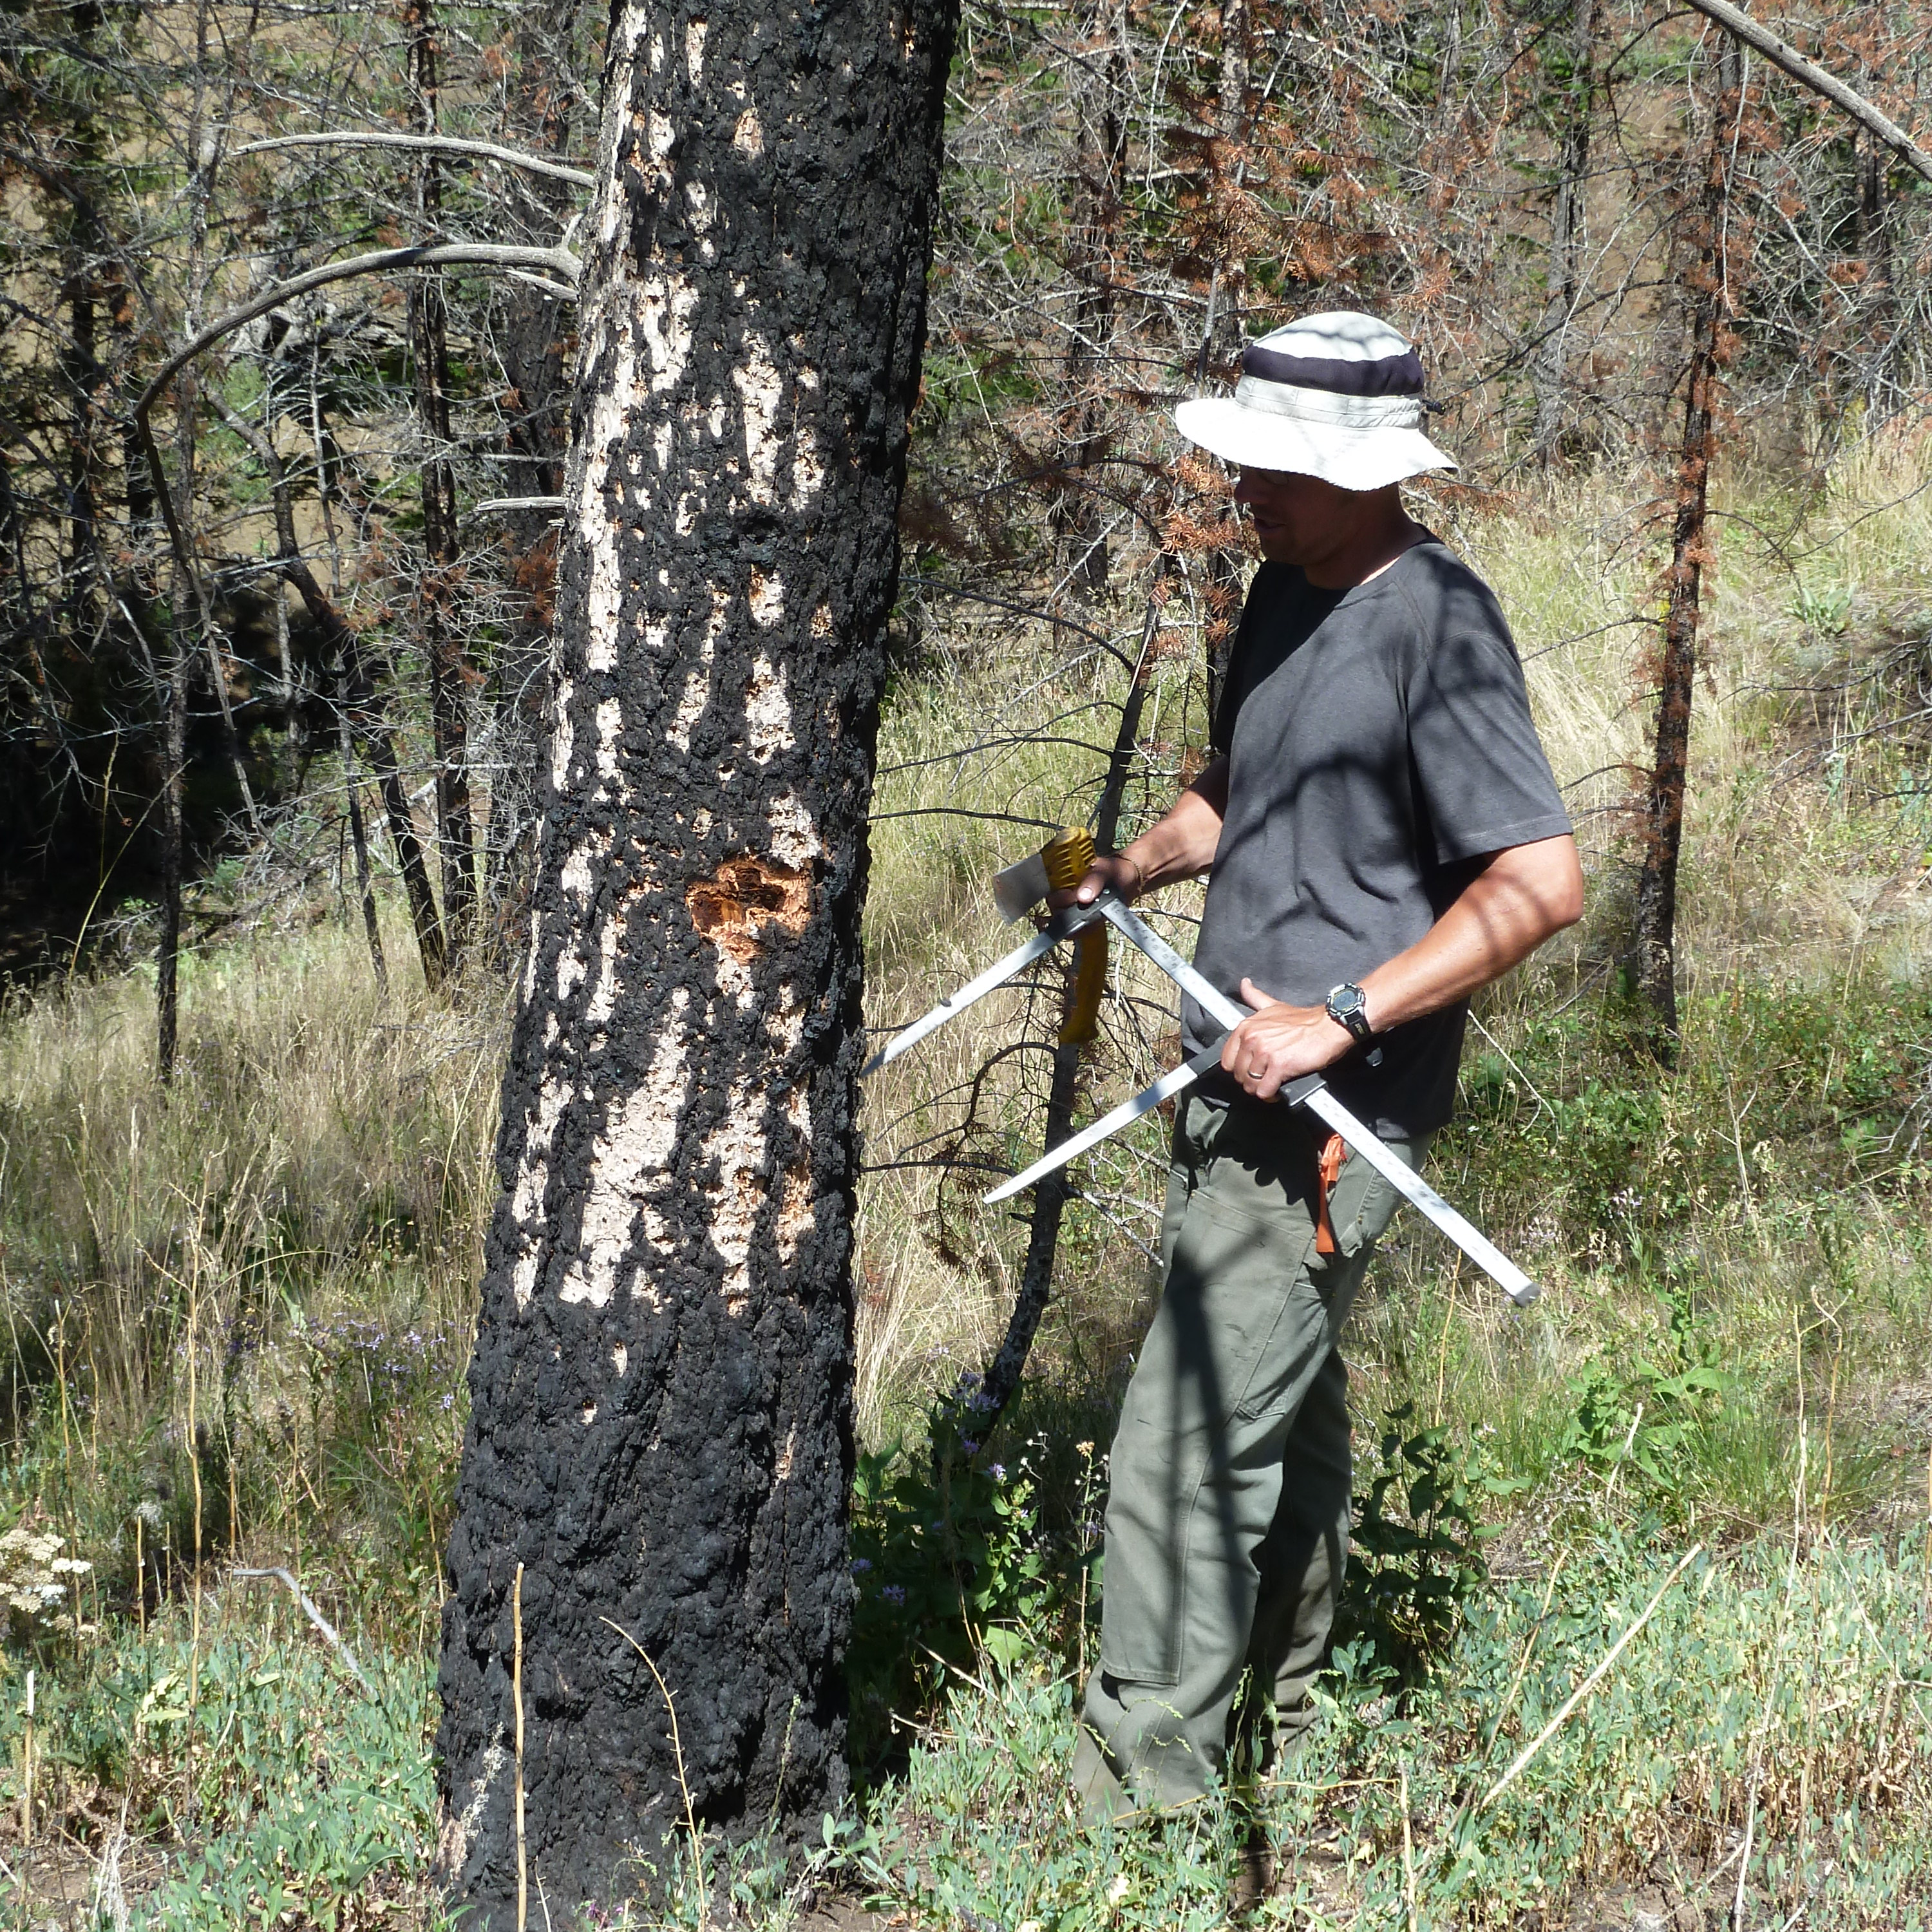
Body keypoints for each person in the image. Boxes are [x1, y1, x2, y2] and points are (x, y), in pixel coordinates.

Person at [1060, 310, 1584, 1823]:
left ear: (1372, 474)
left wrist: (1340, 1014)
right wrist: (1137, 865)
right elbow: (1247, 785)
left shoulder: (1441, 624)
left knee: (1178, 1452)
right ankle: (1288, 1744)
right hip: (1233, 1094)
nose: (1246, 492)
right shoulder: (1283, 593)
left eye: (1279, 468)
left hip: (1330, 1125)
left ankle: (1134, 1823)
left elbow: (1538, 881)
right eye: (1248, 461)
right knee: (1273, 1439)